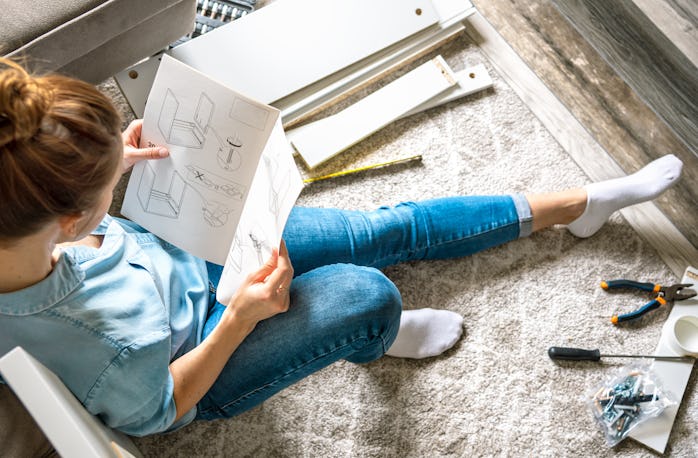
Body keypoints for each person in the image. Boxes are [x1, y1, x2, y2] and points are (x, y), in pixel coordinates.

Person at [0, 58, 684, 437]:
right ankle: (373, 338)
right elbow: (156, 413)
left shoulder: (17, 205)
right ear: (63, 220)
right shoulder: (97, 338)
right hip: (188, 358)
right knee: (367, 295)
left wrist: (109, 162)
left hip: (177, 262)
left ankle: (581, 205)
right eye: (95, 194)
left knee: (382, 228)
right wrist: (238, 317)